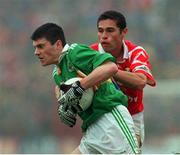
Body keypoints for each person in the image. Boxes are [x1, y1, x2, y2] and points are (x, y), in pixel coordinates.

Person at [31, 23, 139, 154]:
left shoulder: (74, 52)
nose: (36, 52)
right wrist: (65, 109)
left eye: (41, 46)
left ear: (58, 44)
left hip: (110, 119)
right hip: (91, 127)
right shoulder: (57, 74)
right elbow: (71, 96)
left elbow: (110, 67)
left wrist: (80, 87)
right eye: (35, 47)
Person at [90, 10, 156, 149]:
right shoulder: (90, 53)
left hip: (132, 117)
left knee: (130, 150)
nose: (104, 36)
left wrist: (109, 70)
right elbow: (65, 74)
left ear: (124, 32)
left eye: (110, 31)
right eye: (100, 31)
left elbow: (140, 81)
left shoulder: (136, 52)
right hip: (101, 117)